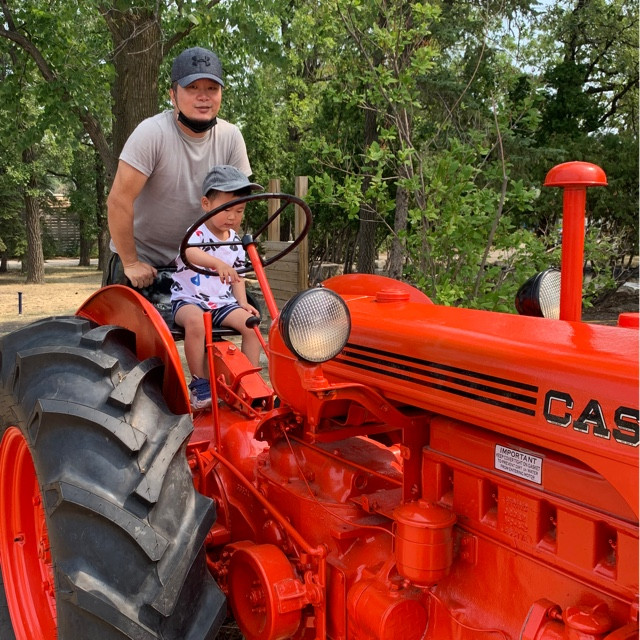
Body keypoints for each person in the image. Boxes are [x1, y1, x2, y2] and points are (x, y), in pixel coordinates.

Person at [105, 46, 252, 289]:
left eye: (212, 88)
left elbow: (235, 208)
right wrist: (131, 263)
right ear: (172, 95)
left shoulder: (231, 137)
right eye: (192, 88)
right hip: (145, 264)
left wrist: (227, 258)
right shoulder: (152, 133)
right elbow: (119, 200)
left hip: (201, 263)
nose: (203, 97)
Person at [171, 165, 263, 410]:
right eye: (226, 209)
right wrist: (217, 263)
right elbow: (189, 252)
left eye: (239, 210)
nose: (232, 217)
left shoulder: (235, 240)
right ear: (206, 204)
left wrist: (242, 303)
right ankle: (199, 384)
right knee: (196, 322)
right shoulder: (196, 233)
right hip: (189, 300)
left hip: (222, 303)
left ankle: (249, 382)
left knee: (252, 326)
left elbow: (238, 276)